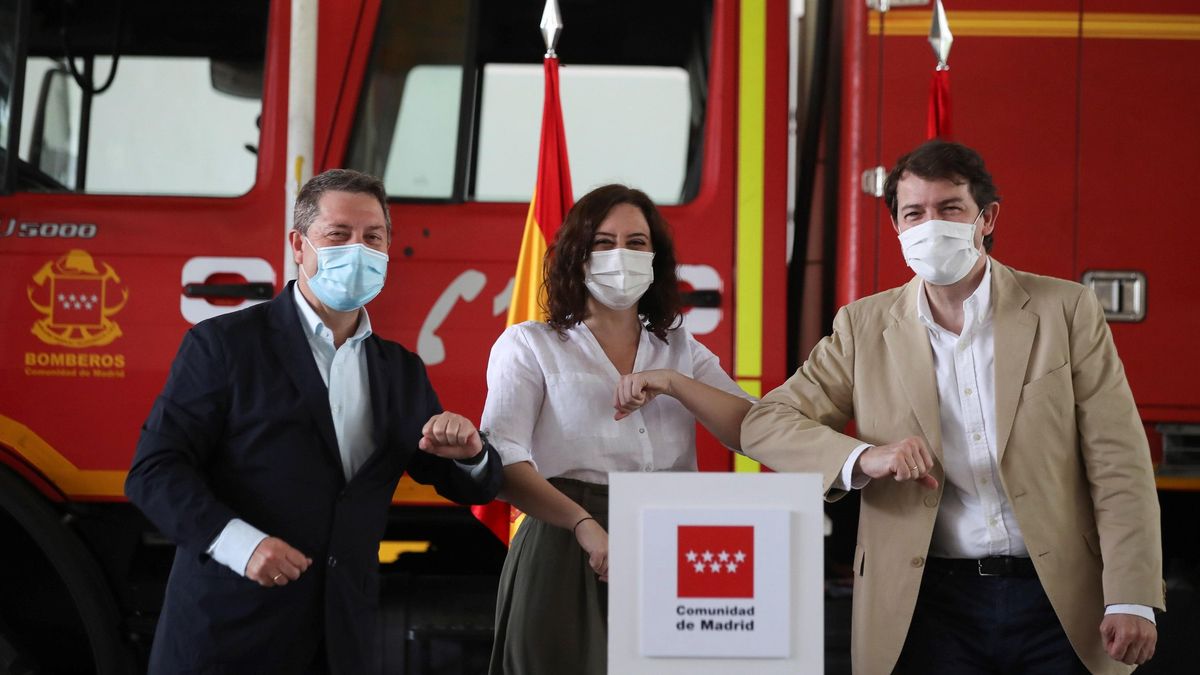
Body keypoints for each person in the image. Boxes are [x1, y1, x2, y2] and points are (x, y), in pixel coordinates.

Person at [741, 140, 1164, 674]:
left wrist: (1131, 594)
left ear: (986, 218)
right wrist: (862, 458)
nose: (930, 225)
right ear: (895, 226)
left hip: (1058, 601)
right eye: (914, 213)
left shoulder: (1066, 310)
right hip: (926, 606)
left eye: (950, 209)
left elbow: (1119, 462)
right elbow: (765, 423)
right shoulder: (862, 327)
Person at [125, 169, 502, 674]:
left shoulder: (399, 370)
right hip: (227, 635)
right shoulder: (224, 346)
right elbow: (154, 471)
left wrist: (472, 455)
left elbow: (459, 481)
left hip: (339, 639)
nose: (358, 249)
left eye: (373, 236)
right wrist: (242, 543)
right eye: (338, 235)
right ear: (298, 246)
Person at [484, 184, 753, 674]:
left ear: (655, 258)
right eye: (603, 243)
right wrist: (585, 527)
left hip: (671, 540)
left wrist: (673, 383)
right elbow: (501, 461)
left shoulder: (679, 349)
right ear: (577, 255)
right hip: (567, 540)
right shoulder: (529, 345)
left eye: (636, 243)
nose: (620, 255)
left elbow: (749, 429)